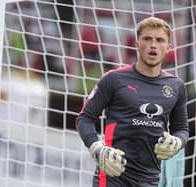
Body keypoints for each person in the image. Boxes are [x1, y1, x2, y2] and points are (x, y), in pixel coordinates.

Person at [76, 16, 189, 187]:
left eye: (160, 40)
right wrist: (97, 148)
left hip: (150, 180)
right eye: (147, 39)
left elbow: (181, 128)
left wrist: (177, 142)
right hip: (112, 176)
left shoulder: (176, 86)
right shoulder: (114, 79)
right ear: (136, 44)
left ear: (168, 48)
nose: (153, 45)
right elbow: (84, 118)